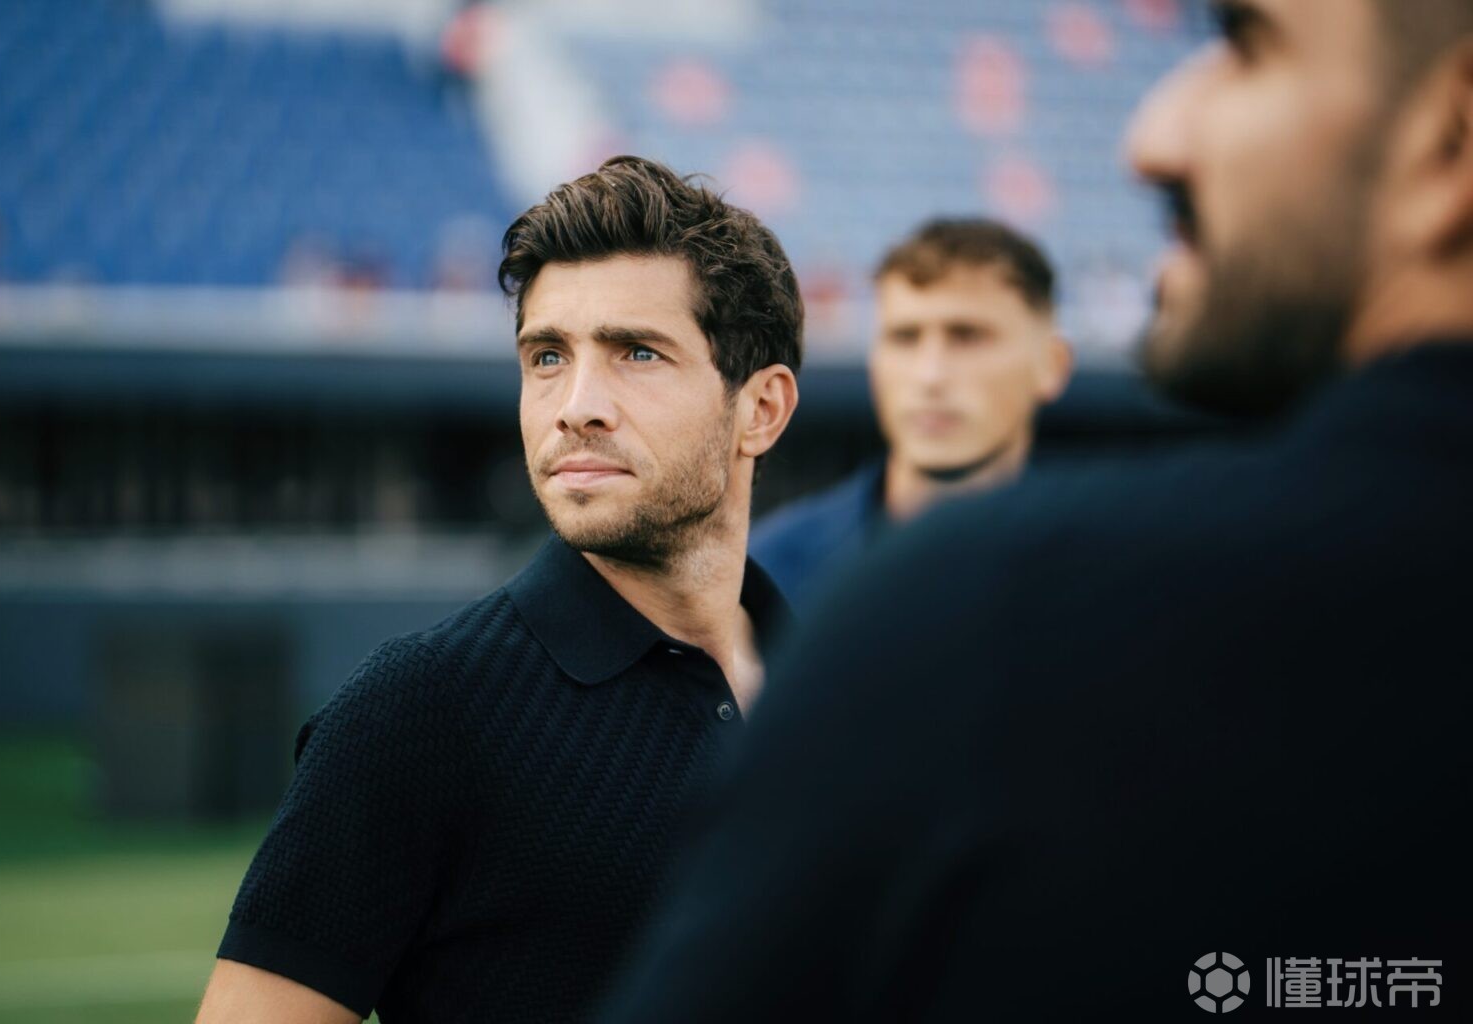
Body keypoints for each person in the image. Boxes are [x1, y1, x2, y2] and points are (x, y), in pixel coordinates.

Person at [602, 2, 1473, 1019]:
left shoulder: (979, 608)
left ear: (1453, 136)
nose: (1149, 139)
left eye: (1245, 44)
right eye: (907, 337)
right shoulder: (787, 577)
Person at [194, 155, 801, 1024]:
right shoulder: (417, 710)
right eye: (547, 356)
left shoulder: (835, 681)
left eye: (637, 353)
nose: (576, 406)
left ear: (762, 410)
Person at [751, 218, 1072, 606]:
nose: (929, 375)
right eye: (905, 337)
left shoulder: (1109, 570)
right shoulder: (771, 572)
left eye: (968, 336)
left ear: (1051, 365)